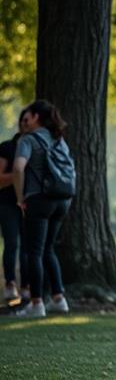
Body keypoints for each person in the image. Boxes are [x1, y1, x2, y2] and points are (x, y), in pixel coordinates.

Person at [11, 100, 73, 318]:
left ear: (36, 116)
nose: (24, 121)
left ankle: (36, 303)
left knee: (34, 252)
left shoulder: (28, 140)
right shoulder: (59, 139)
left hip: (38, 199)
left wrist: (20, 198)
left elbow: (18, 168)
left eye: (27, 116)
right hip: (62, 200)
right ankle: (59, 298)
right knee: (48, 249)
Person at [0, 118, 29, 307]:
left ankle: (27, 286)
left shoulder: (36, 147)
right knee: (12, 242)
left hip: (29, 204)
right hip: (7, 203)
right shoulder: (7, 147)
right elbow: (0, 179)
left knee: (28, 246)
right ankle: (10, 283)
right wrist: (19, 174)